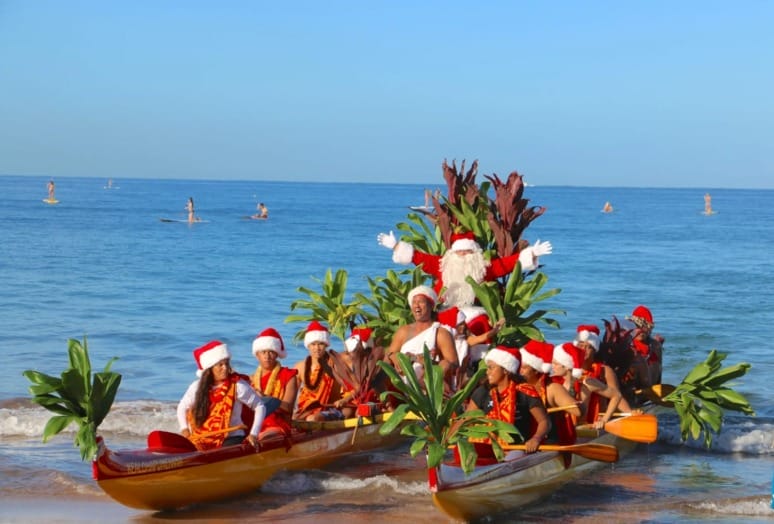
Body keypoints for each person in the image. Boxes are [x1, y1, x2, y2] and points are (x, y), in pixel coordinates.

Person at [376, 230, 552, 309]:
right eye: (459, 251)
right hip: (444, 308)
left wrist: (532, 254)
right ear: (452, 252)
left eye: (467, 252)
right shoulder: (443, 264)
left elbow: (507, 264)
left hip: (476, 310)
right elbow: (418, 258)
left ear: (475, 253)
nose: (462, 255)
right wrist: (396, 246)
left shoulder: (484, 268)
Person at [176, 340, 277, 451]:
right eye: (220, 365)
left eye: (226, 363)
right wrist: (185, 429)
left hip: (232, 437)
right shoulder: (196, 387)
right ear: (210, 369)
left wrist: (253, 434)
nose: (225, 368)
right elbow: (182, 407)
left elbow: (259, 406)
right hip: (202, 438)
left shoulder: (238, 385)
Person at [467, 345, 550, 454]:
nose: (487, 372)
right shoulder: (483, 391)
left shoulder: (525, 392)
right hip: (487, 447)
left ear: (506, 370)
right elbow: (466, 420)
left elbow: (545, 421)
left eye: (491, 367)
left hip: (518, 449)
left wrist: (536, 439)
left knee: (513, 455)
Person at [385, 285, 459, 389]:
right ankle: (388, 402)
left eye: (421, 302)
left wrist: (430, 363)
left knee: (445, 364)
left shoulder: (440, 333)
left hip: (428, 384)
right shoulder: (403, 331)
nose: (417, 306)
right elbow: (389, 353)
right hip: (401, 382)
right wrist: (395, 357)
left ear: (431, 306)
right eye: (414, 302)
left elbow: (453, 364)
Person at [518, 340, 579, 447]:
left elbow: (578, 412)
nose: (520, 372)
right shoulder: (517, 386)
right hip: (523, 441)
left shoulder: (552, 388)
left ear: (536, 370)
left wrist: (580, 405)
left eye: (523, 368)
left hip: (548, 442)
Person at [570, 324, 632, 427]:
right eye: (580, 345)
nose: (583, 349)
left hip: (596, 422)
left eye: (588, 347)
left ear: (594, 349)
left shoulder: (605, 371)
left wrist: (629, 413)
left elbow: (617, 397)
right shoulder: (567, 368)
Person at [294, 321, 352, 421]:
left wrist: (344, 400)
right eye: (313, 344)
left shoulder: (335, 364)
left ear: (326, 345)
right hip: (306, 410)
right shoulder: (300, 367)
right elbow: (292, 395)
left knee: (313, 419)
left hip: (331, 408)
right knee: (296, 418)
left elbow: (355, 388)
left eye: (321, 344)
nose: (317, 348)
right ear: (308, 345)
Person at [250, 328, 298, 439]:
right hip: (254, 423)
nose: (267, 356)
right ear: (257, 355)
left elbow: (288, 408)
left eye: (271, 352)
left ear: (277, 354)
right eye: (263, 352)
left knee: (261, 437)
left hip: (278, 423)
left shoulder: (289, 376)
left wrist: (265, 398)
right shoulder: (251, 379)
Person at [625, 305, 664, 392]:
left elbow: (660, 371)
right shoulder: (628, 345)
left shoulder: (655, 345)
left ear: (650, 328)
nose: (641, 331)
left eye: (645, 327)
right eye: (637, 326)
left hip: (651, 388)